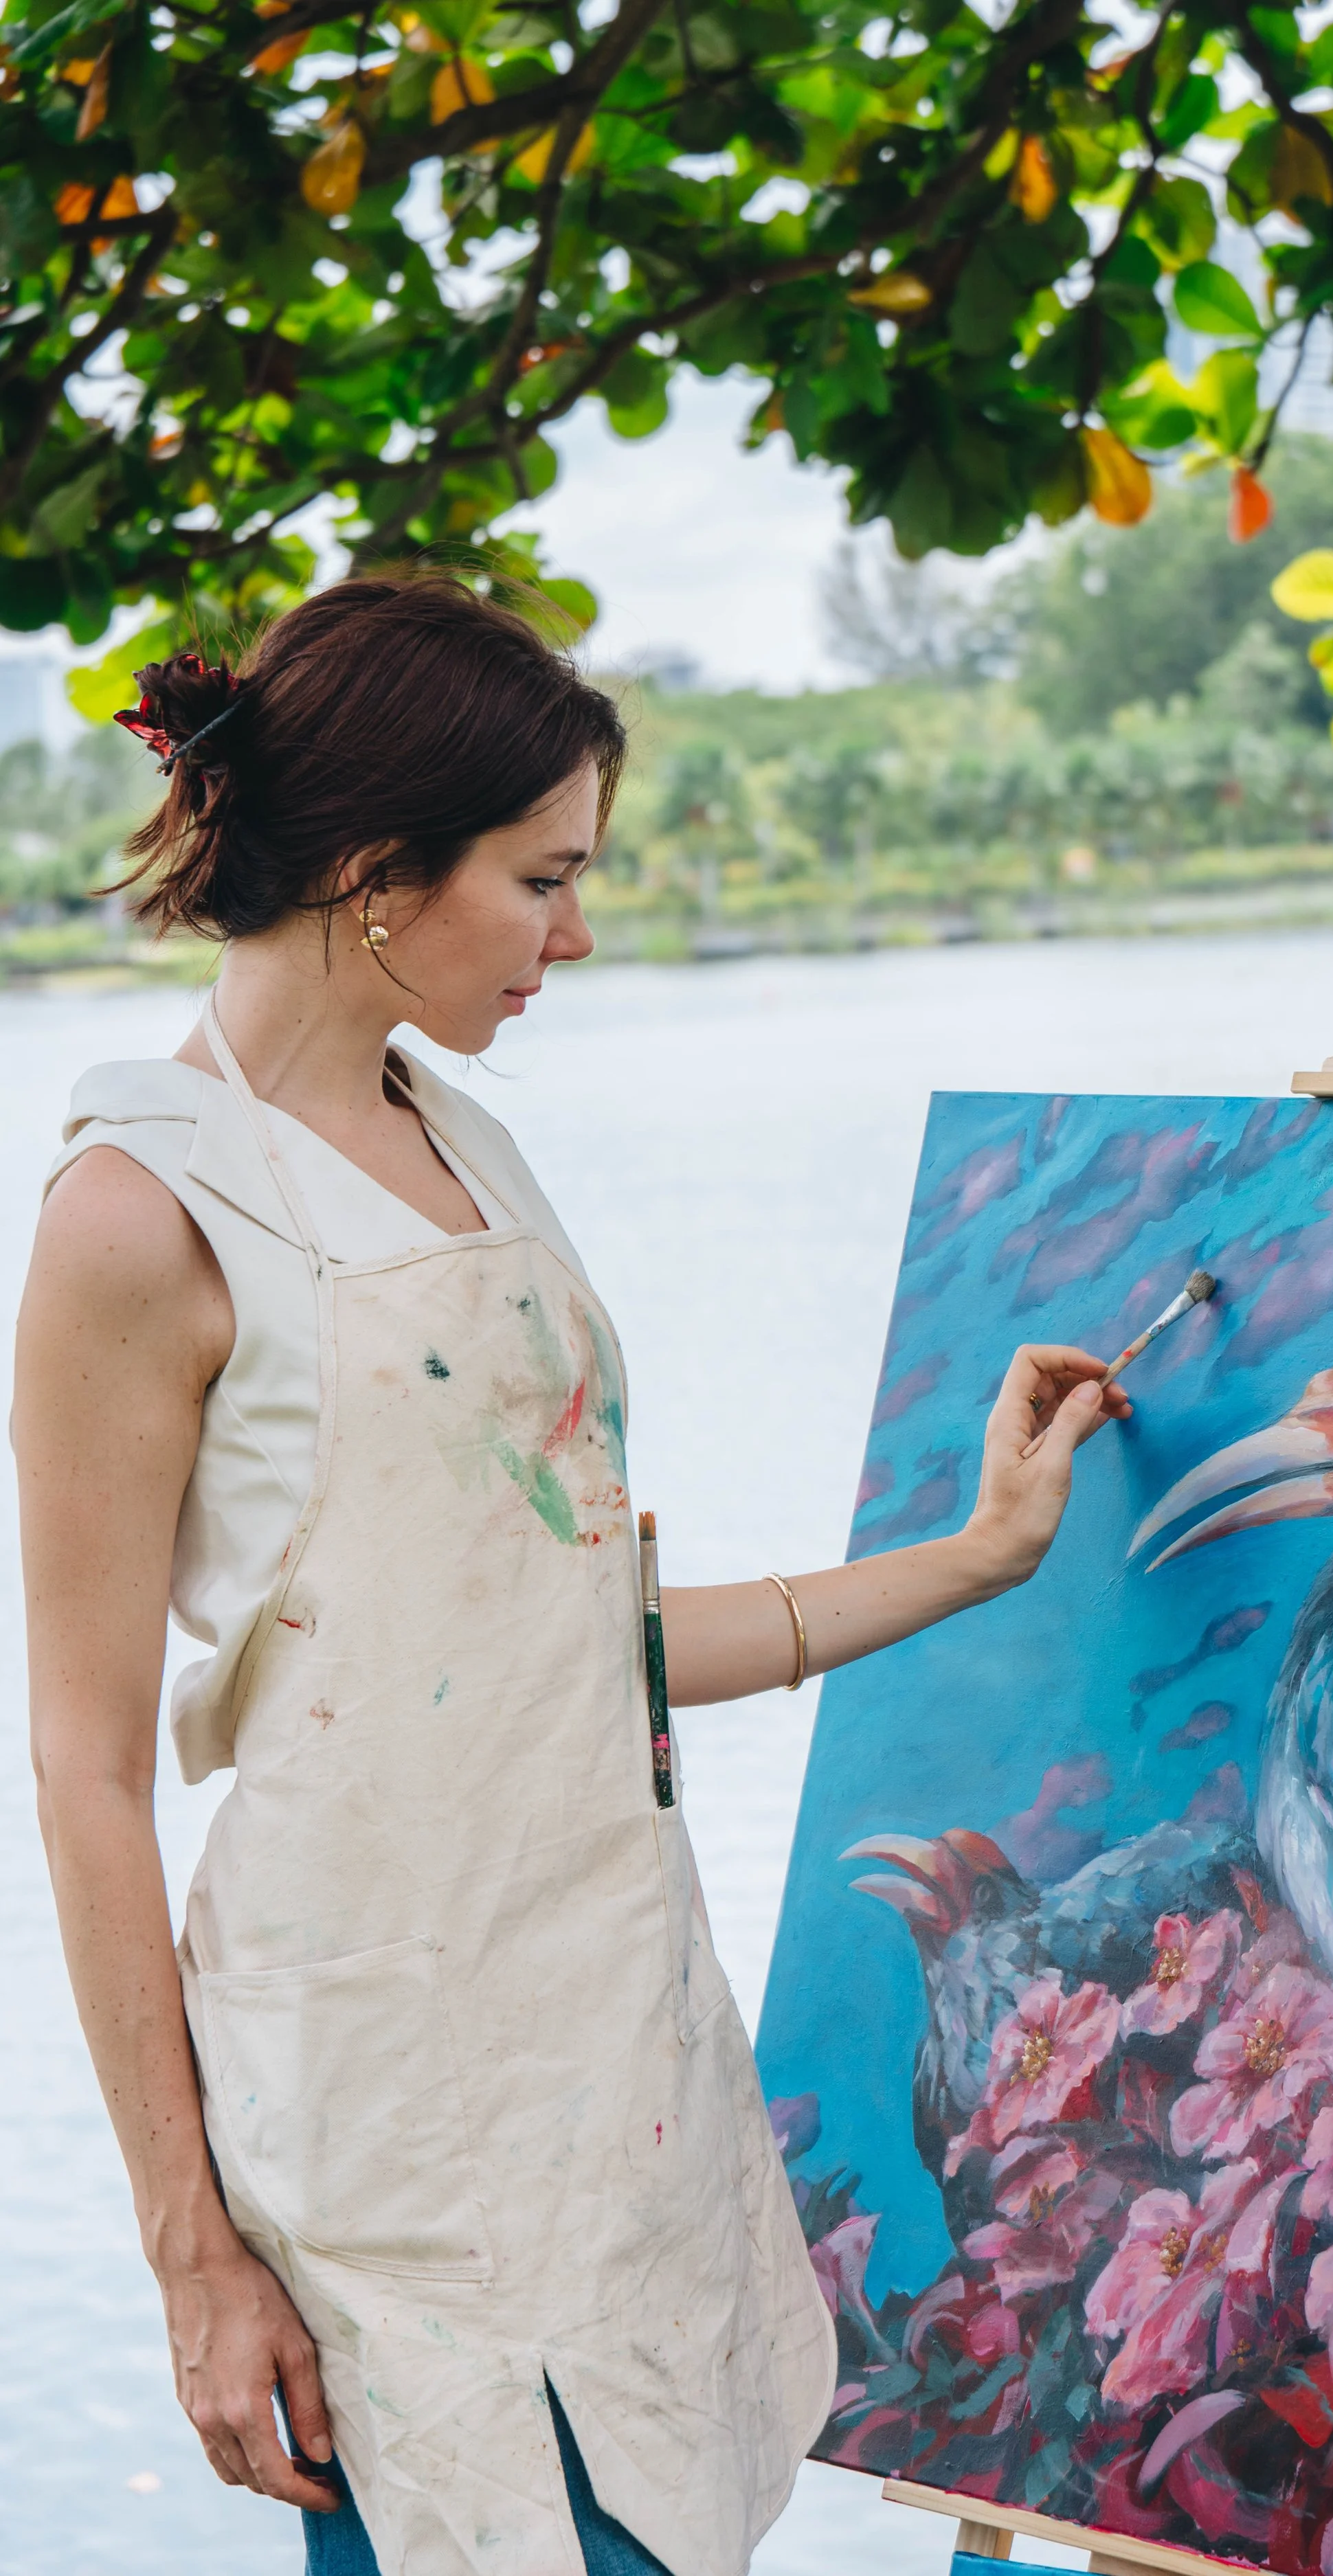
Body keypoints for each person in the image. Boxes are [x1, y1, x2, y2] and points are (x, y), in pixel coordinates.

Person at [14, 572, 1132, 2576]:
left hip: (614, 2048)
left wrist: (980, 1556)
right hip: (383, 2123)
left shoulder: (459, 1143)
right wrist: (193, 2257)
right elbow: (87, 1773)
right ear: (374, 872)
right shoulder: (136, 1214)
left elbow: (573, 1647)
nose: (577, 934)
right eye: (542, 880)